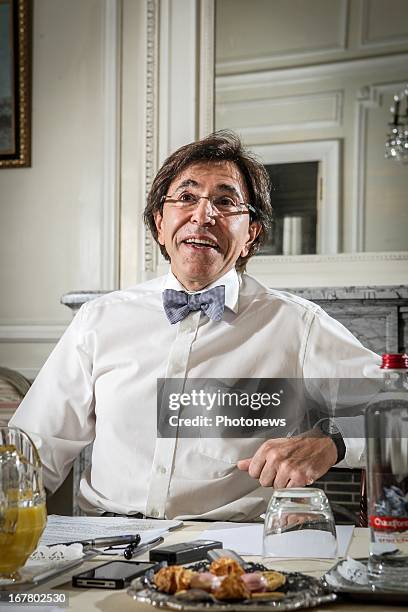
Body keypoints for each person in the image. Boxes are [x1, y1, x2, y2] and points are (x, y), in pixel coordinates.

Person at [10, 131, 379, 520]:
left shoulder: (297, 326)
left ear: (251, 234)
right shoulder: (99, 320)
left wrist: (332, 444)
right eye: (186, 198)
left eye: (226, 201)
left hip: (236, 554)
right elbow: (34, 450)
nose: (203, 216)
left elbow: (398, 410)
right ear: (160, 222)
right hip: (103, 545)